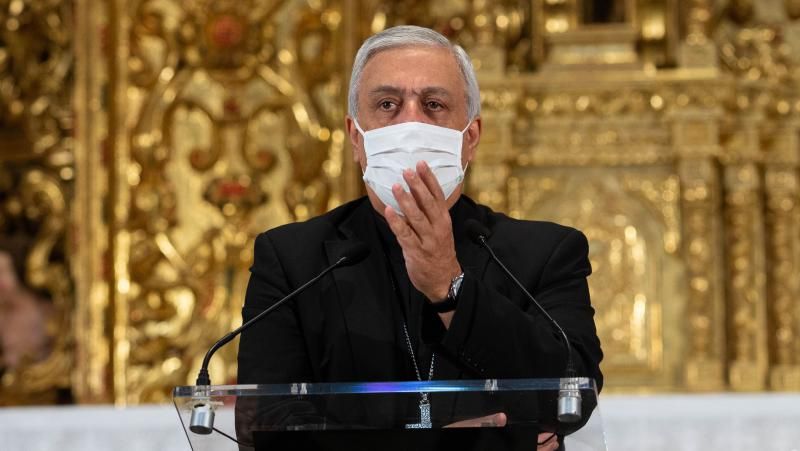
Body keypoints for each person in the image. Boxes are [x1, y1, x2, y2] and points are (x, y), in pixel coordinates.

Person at [237, 25, 603, 450]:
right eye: (388, 104)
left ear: (471, 138)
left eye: (433, 105)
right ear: (357, 139)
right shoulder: (292, 261)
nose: (411, 122)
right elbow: (266, 429)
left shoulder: (543, 254)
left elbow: (570, 396)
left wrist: (451, 288)